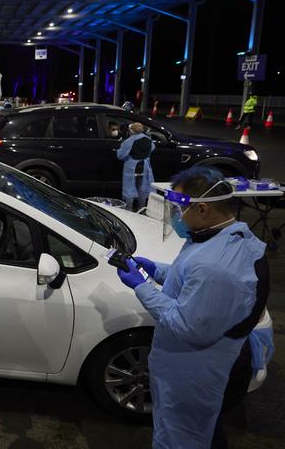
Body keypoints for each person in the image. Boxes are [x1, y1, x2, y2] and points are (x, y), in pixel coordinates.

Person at [116, 166, 272, 449]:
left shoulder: (216, 266)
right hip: (199, 365)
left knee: (183, 436)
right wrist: (158, 271)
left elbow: (187, 326)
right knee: (203, 432)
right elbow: (191, 280)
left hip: (193, 372)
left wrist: (141, 286)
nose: (176, 216)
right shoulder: (222, 240)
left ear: (202, 209)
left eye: (178, 208)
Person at [116, 122, 154, 210]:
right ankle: (141, 209)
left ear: (131, 131)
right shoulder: (148, 140)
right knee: (142, 188)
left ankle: (129, 210)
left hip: (132, 167)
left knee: (129, 189)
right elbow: (152, 148)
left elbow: (120, 155)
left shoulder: (129, 141)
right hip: (144, 167)